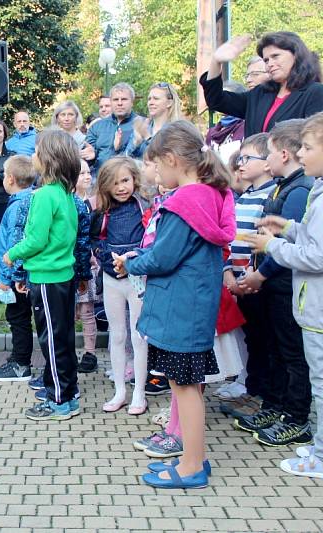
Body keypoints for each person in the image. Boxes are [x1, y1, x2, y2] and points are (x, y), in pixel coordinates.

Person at [114, 120, 236, 489]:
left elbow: (164, 257)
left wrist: (130, 262)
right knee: (188, 386)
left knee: (184, 388)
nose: (156, 174)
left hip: (180, 309)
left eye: (157, 165)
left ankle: (191, 467)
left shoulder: (185, 199)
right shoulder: (210, 194)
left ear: (171, 159)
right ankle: (193, 459)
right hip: (193, 306)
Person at [243, 111, 323, 478]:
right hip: (307, 303)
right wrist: (288, 227)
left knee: (312, 374)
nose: (302, 154)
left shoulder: (308, 190)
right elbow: (309, 237)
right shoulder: (312, 190)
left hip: (313, 305)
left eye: (308, 147)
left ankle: (311, 440)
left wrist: (272, 247)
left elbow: (316, 255)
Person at [2, 128, 80, 421]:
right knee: (63, 337)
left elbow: (36, 239)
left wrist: (12, 254)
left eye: (35, 151)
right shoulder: (64, 192)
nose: (31, 155)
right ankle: (68, 394)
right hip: (62, 275)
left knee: (51, 341)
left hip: (47, 277)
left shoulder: (45, 195)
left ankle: (58, 400)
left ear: (47, 159)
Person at [89, 157, 150, 416]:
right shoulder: (102, 210)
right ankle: (120, 391)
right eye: (115, 183)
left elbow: (151, 238)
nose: (121, 187)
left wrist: (132, 259)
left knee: (138, 336)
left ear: (134, 179)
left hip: (137, 276)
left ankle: (139, 392)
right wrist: (106, 258)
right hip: (111, 277)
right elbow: (94, 239)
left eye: (125, 180)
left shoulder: (144, 206)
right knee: (117, 334)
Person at [221, 134, 275, 403]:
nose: (240, 164)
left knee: (261, 338)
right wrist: (228, 271)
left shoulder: (272, 196)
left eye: (247, 158)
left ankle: (259, 390)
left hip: (257, 280)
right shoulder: (244, 197)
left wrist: (256, 276)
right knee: (248, 336)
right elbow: (232, 238)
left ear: (268, 163)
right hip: (238, 278)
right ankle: (247, 383)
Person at [200, 32, 323, 137]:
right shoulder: (260, 94)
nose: (270, 63)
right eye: (266, 60)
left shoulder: (315, 93)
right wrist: (216, 61)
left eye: (275, 56)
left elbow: (313, 140)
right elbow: (216, 100)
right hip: (252, 164)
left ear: (296, 55)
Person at [0, 155, 36, 382]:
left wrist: (6, 278)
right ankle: (18, 358)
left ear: (9, 179)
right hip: (25, 275)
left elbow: (14, 244)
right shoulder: (31, 200)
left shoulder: (17, 206)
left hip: (17, 277)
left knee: (18, 319)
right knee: (21, 318)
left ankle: (21, 364)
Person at [75, 159, 101, 373]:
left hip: (89, 264)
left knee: (87, 309)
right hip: (70, 264)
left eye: (88, 172)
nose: (86, 176)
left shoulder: (95, 204)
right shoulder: (67, 202)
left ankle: (90, 352)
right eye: (81, 173)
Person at [83, 83, 140, 172]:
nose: (119, 103)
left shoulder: (142, 125)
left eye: (124, 99)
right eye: (116, 100)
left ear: (132, 102)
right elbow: (85, 161)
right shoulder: (97, 126)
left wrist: (118, 149)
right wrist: (91, 156)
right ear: (111, 102)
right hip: (100, 180)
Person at [125, 82, 182, 159]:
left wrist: (147, 138)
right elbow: (126, 158)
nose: (150, 103)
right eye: (149, 99)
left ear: (169, 103)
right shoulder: (143, 127)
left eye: (156, 99)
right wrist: (136, 143)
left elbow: (164, 159)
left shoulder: (177, 130)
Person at [205, 81, 248, 162]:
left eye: (226, 101)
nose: (221, 106)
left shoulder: (247, 128)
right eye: (219, 101)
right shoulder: (212, 132)